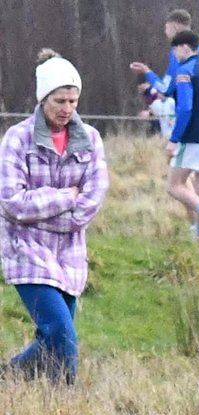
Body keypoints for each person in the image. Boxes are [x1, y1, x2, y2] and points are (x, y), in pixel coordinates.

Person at [0, 49, 108, 384]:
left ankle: (8, 375)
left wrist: (41, 213)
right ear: (43, 98)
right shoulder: (17, 139)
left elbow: (91, 200)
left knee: (53, 338)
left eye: (73, 101)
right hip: (25, 251)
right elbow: (12, 203)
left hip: (70, 255)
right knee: (61, 331)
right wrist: (66, 197)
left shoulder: (90, 139)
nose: (67, 109)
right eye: (60, 101)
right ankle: (67, 398)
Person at [134, 31, 199, 241]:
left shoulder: (185, 71)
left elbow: (185, 108)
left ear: (185, 47)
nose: (174, 55)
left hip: (193, 138)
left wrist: (174, 139)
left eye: (175, 49)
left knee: (174, 186)